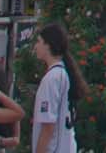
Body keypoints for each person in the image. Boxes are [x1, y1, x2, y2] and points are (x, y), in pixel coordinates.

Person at [31, 23, 81, 153]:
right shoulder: (63, 73)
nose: (35, 46)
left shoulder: (52, 78)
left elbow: (48, 125)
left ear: (48, 45)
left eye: (39, 42)